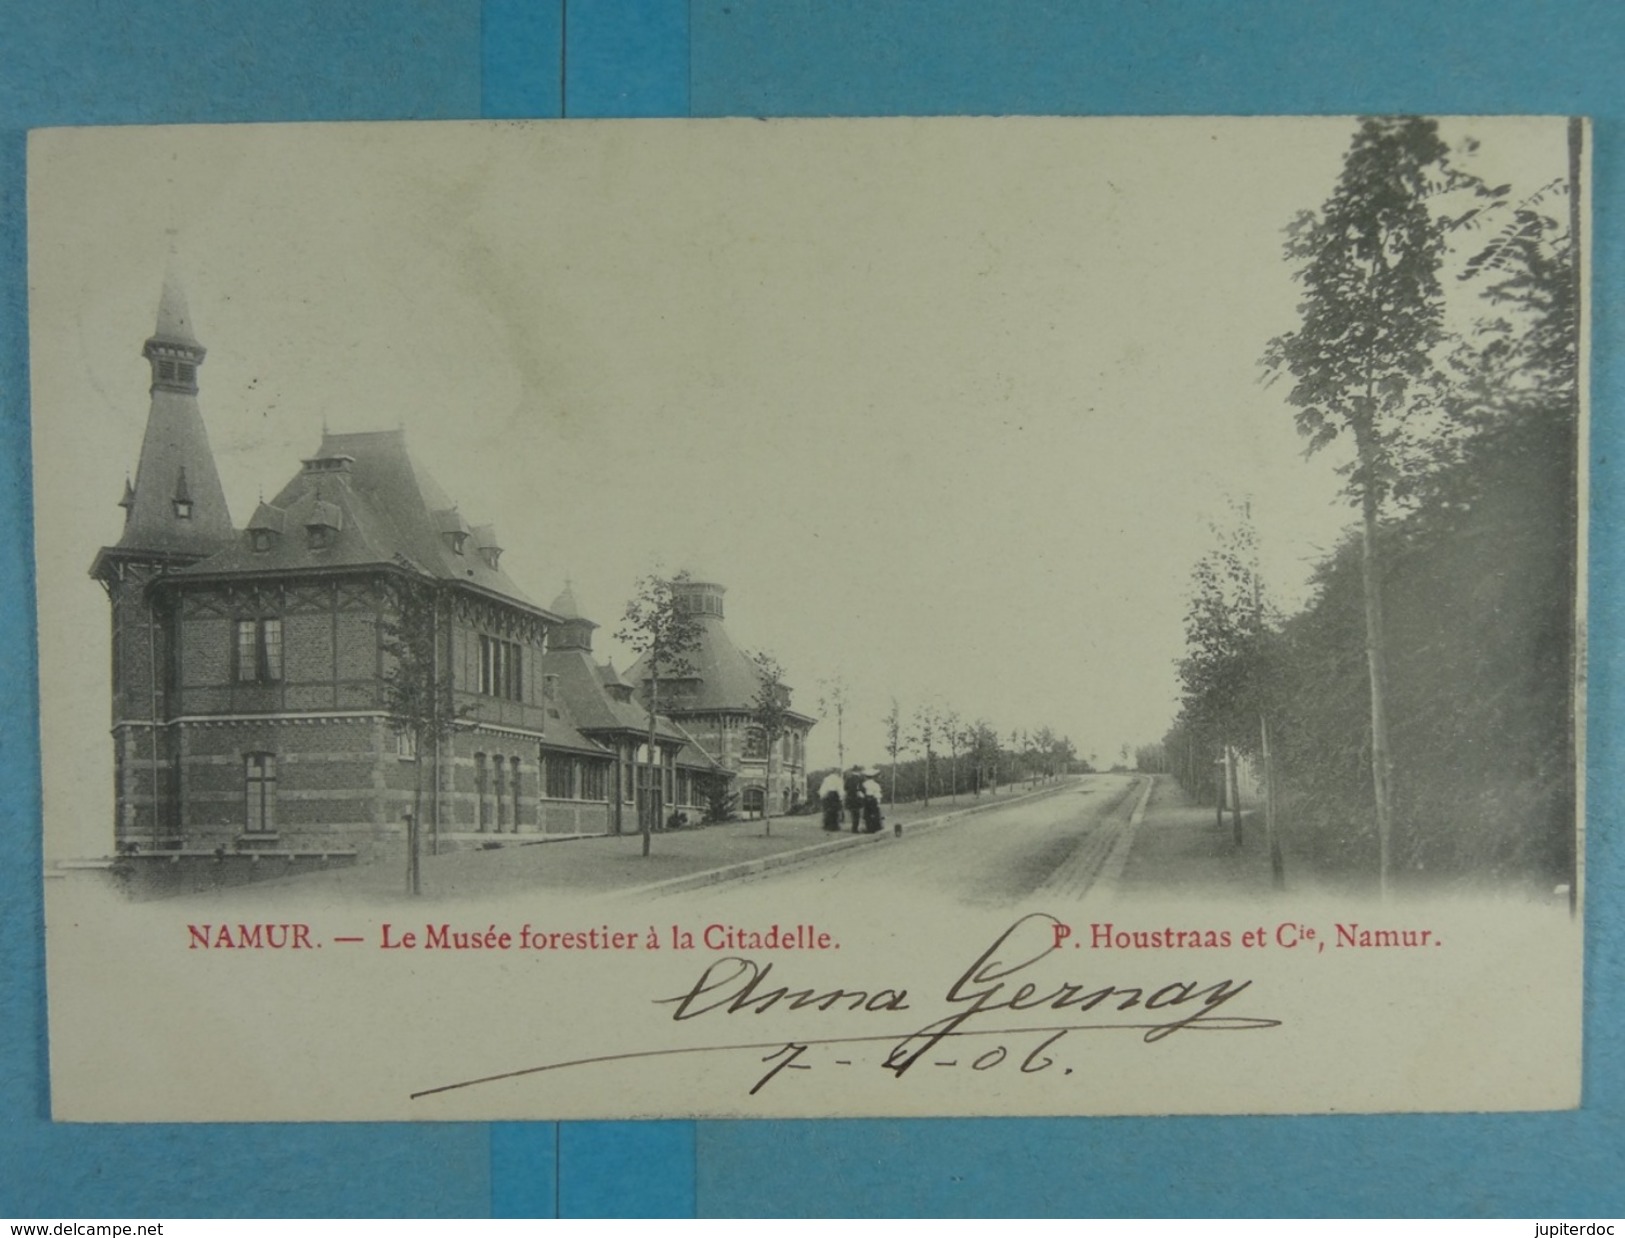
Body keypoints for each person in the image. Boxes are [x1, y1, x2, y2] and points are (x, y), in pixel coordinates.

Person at [844, 767, 865, 832]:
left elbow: (845, 788)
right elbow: (861, 788)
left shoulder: (848, 779)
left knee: (853, 813)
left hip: (850, 798)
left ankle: (854, 826)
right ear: (858, 771)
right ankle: (855, 828)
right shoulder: (859, 779)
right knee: (857, 813)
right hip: (857, 798)